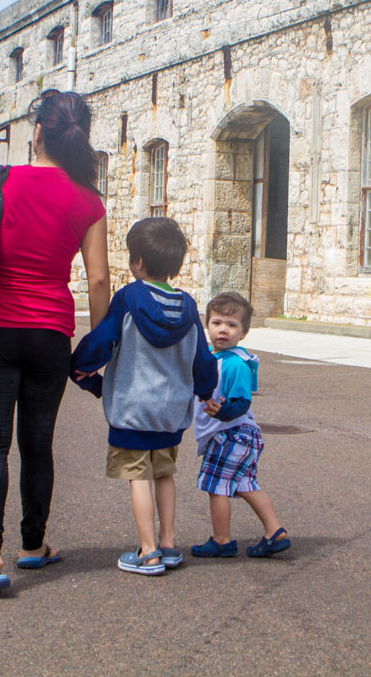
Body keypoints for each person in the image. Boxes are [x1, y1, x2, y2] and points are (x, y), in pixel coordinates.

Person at [0, 89, 110, 594]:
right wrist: (97, 348)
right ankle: (33, 546)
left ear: (38, 132)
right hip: (51, 334)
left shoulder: (0, 178)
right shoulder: (88, 199)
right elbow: (99, 281)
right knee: (39, 442)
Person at [71, 217, 217, 576]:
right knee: (164, 475)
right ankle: (167, 543)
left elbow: (103, 341)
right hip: (171, 412)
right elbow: (203, 358)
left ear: (137, 262)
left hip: (133, 408)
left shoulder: (129, 298)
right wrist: (205, 392)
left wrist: (81, 366)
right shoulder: (187, 306)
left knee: (138, 477)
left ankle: (148, 551)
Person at [191, 292, 290, 559]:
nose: (223, 329)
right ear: (207, 325)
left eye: (232, 325)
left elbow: (241, 402)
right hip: (238, 436)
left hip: (230, 435)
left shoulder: (235, 364)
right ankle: (274, 531)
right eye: (217, 322)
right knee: (245, 484)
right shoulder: (215, 357)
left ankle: (222, 540)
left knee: (216, 486)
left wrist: (223, 412)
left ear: (243, 332)